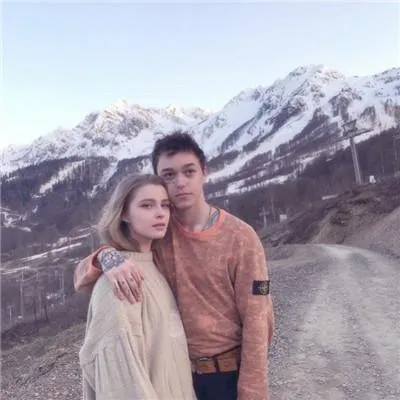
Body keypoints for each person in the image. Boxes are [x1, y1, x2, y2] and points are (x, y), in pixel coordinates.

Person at [75, 130, 275, 400]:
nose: (180, 182)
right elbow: (81, 278)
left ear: (204, 172)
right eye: (169, 175)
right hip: (173, 375)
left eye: (189, 171)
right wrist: (106, 257)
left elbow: (258, 317)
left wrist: (252, 391)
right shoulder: (158, 232)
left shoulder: (241, 237)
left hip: (225, 377)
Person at [78, 173, 197, 400]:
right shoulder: (120, 279)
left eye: (165, 205)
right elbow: (120, 382)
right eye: (146, 205)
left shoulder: (154, 265)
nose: (160, 213)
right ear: (123, 213)